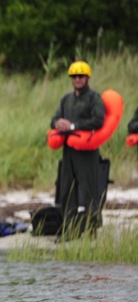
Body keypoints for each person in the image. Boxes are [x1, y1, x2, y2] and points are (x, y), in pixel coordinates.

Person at [50, 61, 106, 238]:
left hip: (87, 151)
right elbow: (55, 118)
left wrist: (73, 125)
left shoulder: (94, 98)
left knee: (89, 189)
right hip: (69, 151)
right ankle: (70, 228)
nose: (77, 79)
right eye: (74, 77)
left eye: (80, 76)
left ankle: (92, 228)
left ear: (87, 78)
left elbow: (98, 121)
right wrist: (57, 123)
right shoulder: (66, 99)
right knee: (66, 188)